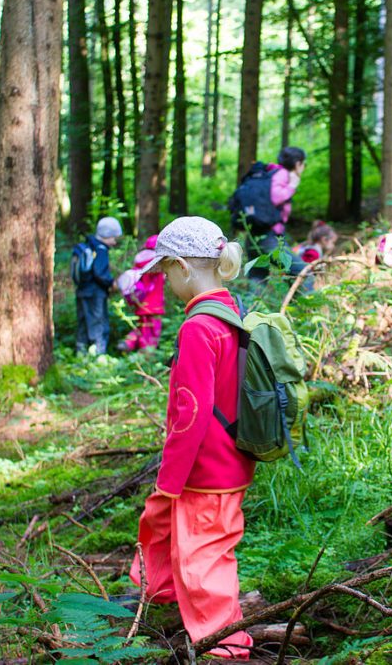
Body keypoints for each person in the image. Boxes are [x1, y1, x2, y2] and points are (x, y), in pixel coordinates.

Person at [127, 216, 255, 659]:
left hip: (205, 471)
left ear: (182, 267)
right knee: (169, 532)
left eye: (165, 272)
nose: (165, 282)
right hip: (230, 461)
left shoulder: (198, 327)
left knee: (204, 559)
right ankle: (164, 600)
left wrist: (170, 479)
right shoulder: (229, 312)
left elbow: (193, 413)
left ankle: (226, 646)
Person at [247, 147, 309, 286]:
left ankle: (251, 302)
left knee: (257, 278)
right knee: (304, 273)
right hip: (270, 237)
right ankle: (308, 300)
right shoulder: (283, 174)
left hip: (254, 233)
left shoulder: (271, 172)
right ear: (298, 163)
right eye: (303, 163)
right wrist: (292, 186)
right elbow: (276, 197)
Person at [74, 217, 122, 355]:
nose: (114, 242)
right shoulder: (101, 249)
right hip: (95, 293)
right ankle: (99, 354)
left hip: (82, 290)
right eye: (113, 238)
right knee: (99, 322)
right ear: (106, 235)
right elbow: (100, 272)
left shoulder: (89, 245)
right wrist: (111, 283)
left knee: (83, 322)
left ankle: (81, 352)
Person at [118, 235, 166, 352]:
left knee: (142, 327)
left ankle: (128, 343)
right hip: (154, 305)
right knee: (152, 331)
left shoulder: (139, 260)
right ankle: (146, 354)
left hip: (140, 301)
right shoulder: (157, 262)